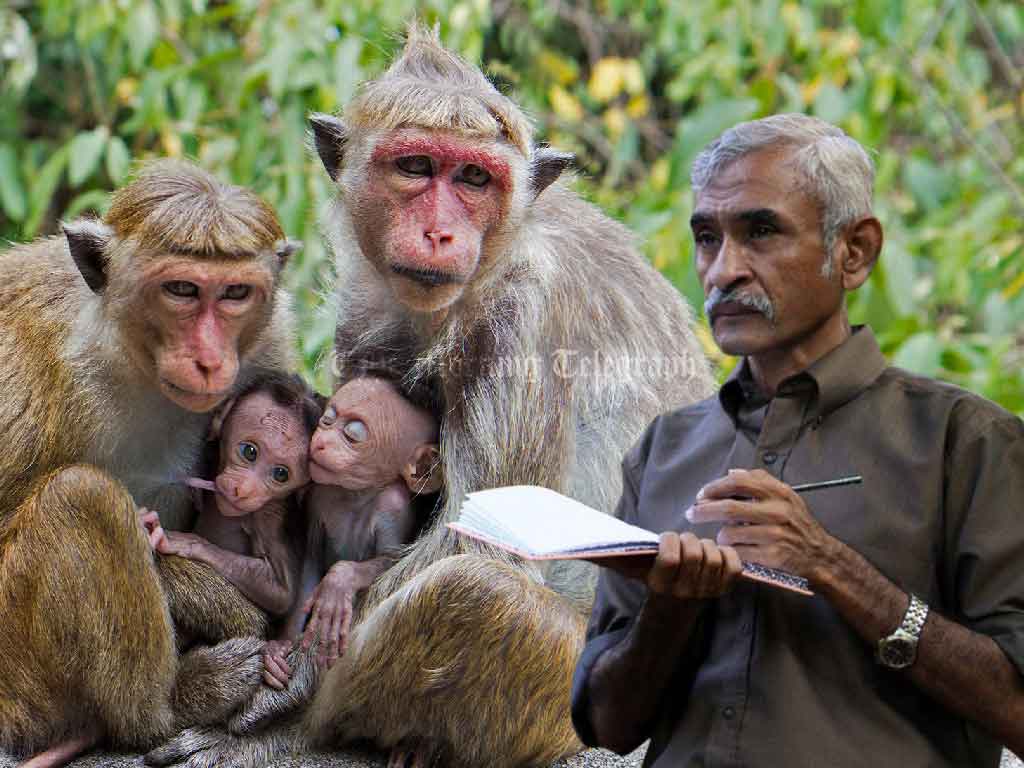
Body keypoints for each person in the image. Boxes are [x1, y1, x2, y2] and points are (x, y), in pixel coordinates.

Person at [570, 114, 1024, 767]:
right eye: (706, 237)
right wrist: (670, 609)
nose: (723, 270)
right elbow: (609, 728)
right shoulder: (665, 449)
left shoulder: (966, 443)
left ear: (855, 251)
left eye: (761, 232)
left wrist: (831, 565)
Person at [141, 371, 321, 623]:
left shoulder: (271, 513)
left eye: (280, 474)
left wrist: (200, 548)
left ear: (302, 485)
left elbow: (281, 593)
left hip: (227, 615)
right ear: (222, 418)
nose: (244, 488)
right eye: (248, 452)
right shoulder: (202, 457)